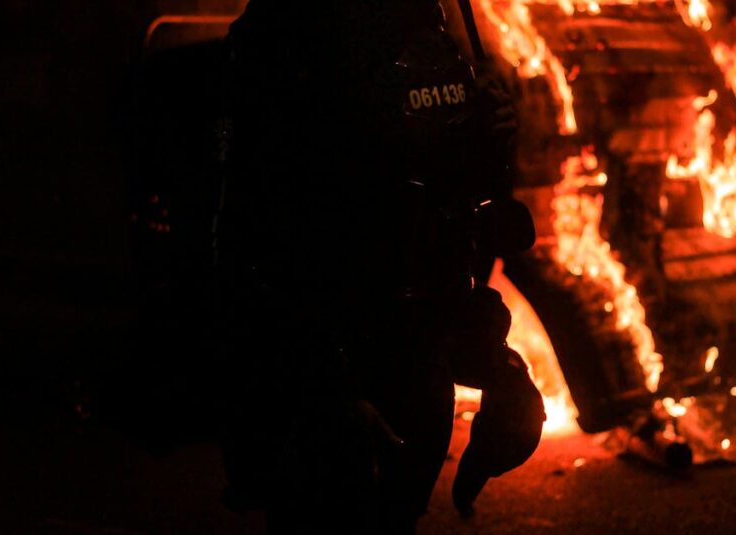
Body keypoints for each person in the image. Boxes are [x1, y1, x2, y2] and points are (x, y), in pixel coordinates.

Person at [215, 1, 544, 532]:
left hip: (420, 335)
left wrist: (489, 136)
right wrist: (324, 376)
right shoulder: (288, 32)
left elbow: (453, 182)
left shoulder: (428, 27)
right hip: (334, 338)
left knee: (398, 511)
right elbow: (265, 216)